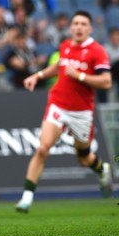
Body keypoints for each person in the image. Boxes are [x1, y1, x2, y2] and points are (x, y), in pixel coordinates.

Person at [15, 10, 113, 213]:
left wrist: (80, 76)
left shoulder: (97, 51)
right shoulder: (66, 46)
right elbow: (59, 66)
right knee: (42, 148)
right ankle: (26, 197)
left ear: (90, 28)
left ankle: (102, 168)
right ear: (71, 27)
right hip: (58, 104)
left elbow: (106, 81)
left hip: (82, 112)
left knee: (83, 158)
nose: (78, 27)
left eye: (83, 24)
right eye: (75, 23)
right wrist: (38, 75)